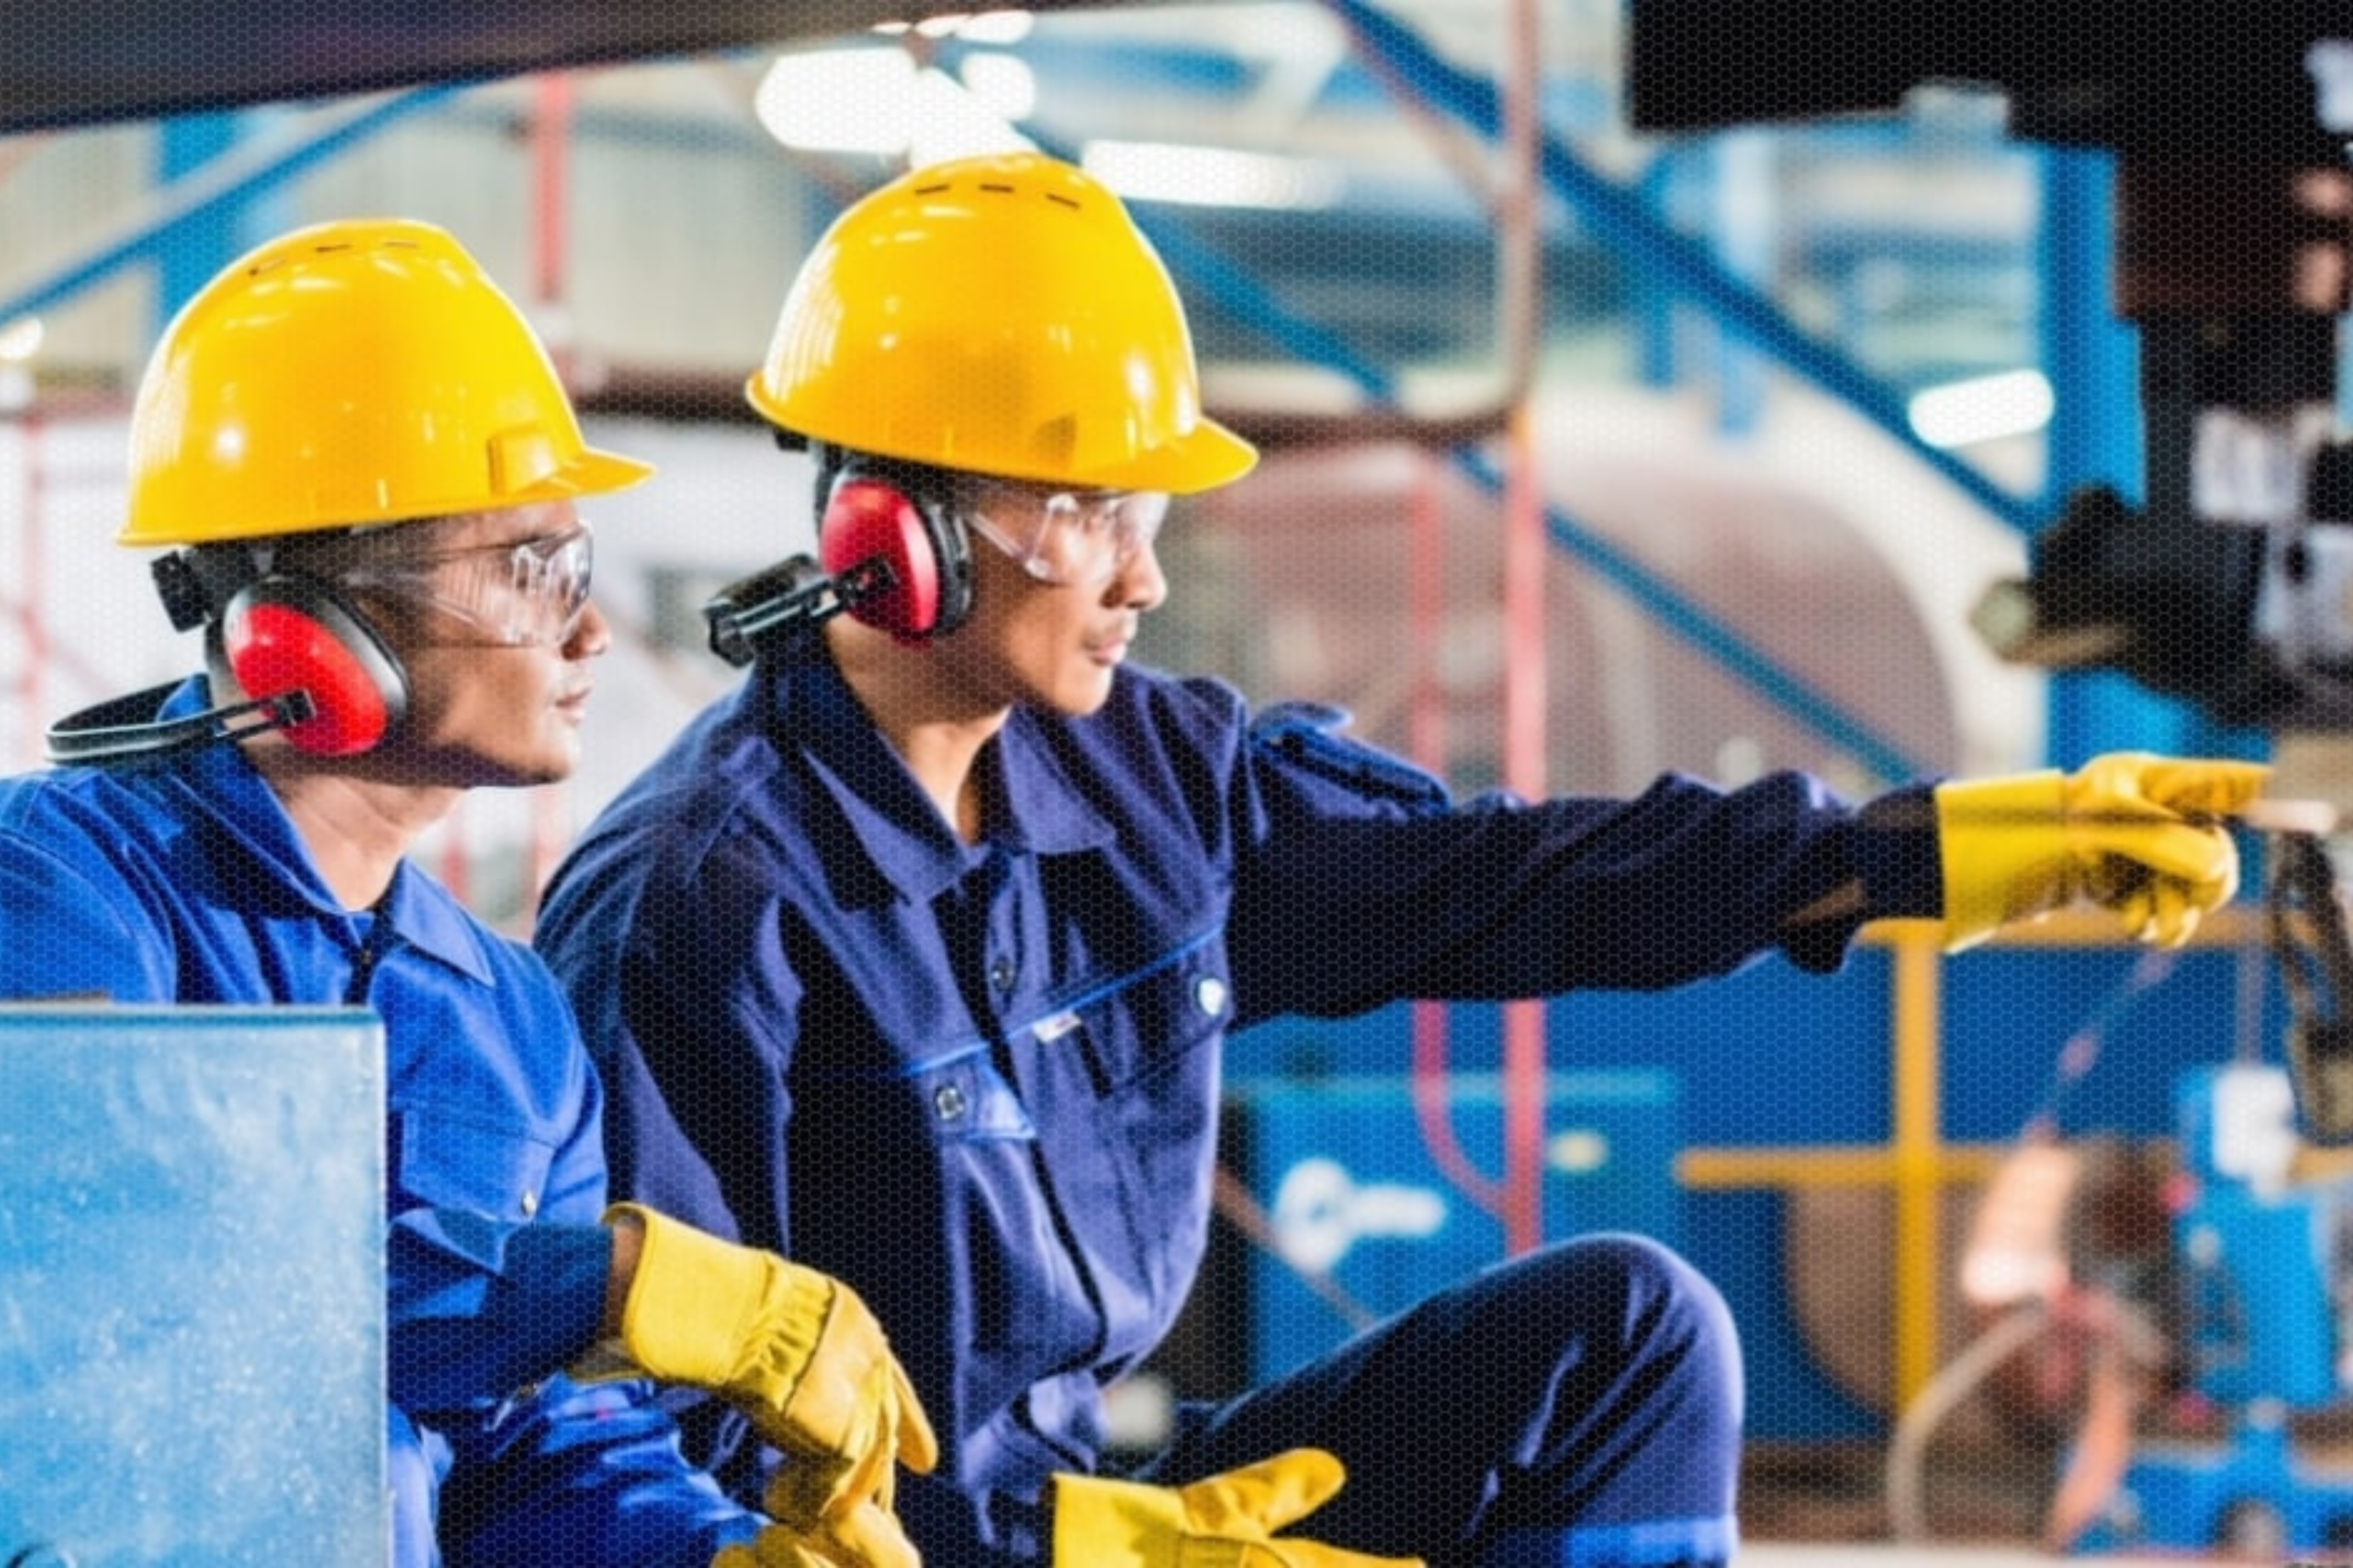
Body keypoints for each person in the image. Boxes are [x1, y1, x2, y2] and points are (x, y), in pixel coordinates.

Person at [532, 151, 2269, 1568]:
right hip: (899, 1547)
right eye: (1088, 514)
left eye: (1149, 516)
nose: (1139, 578)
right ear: (888, 542)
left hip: (1124, 1505)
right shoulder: (706, 900)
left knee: (1629, 1335)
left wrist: (1914, 860)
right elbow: (653, 1445)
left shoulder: (1155, 778)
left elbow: (1507, 881)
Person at [0, 219, 934, 1568]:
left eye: (581, 566)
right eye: (528, 570)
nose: (591, 629)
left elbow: (534, 1452)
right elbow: (156, 1300)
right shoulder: (55, 891)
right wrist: (600, 1284)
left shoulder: (508, 1018)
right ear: (301, 631)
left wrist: (711, 1556)